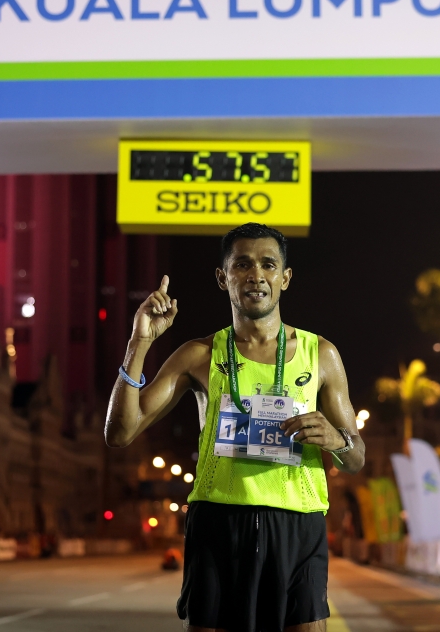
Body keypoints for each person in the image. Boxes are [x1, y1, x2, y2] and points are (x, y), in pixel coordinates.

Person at [105, 223, 365, 632]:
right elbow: (119, 434)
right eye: (241, 264)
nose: (255, 275)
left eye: (267, 264)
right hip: (218, 522)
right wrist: (140, 342)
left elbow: (356, 458)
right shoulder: (197, 354)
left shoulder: (322, 355)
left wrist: (338, 440)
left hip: (298, 525)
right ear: (222, 277)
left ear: (285, 278)